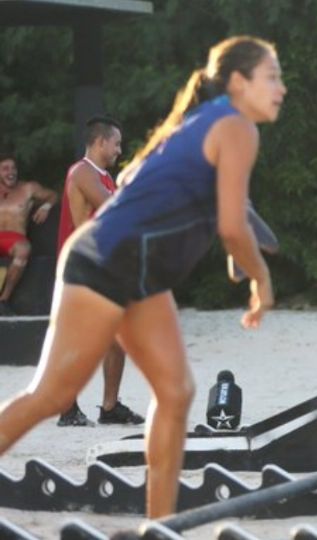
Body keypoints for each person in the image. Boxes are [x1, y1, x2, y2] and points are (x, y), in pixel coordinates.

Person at [0, 35, 284, 518]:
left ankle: (160, 525)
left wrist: (235, 241)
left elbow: (193, 204)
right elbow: (234, 227)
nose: (282, 88)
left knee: (175, 392)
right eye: (272, 76)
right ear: (239, 83)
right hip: (104, 261)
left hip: (138, 274)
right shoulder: (236, 128)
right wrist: (261, 282)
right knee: (52, 394)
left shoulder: (195, 125)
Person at [55, 116, 145, 427]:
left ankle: (109, 407)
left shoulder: (103, 176)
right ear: (100, 142)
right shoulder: (82, 171)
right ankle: (67, 409)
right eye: (117, 143)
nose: (119, 150)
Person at [0, 152, 58, 314]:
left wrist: (45, 207)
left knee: (24, 249)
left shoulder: (28, 188)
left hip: (15, 238)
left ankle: (3, 300)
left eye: (13, 168)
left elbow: (53, 195)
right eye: (5, 169)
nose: (11, 172)